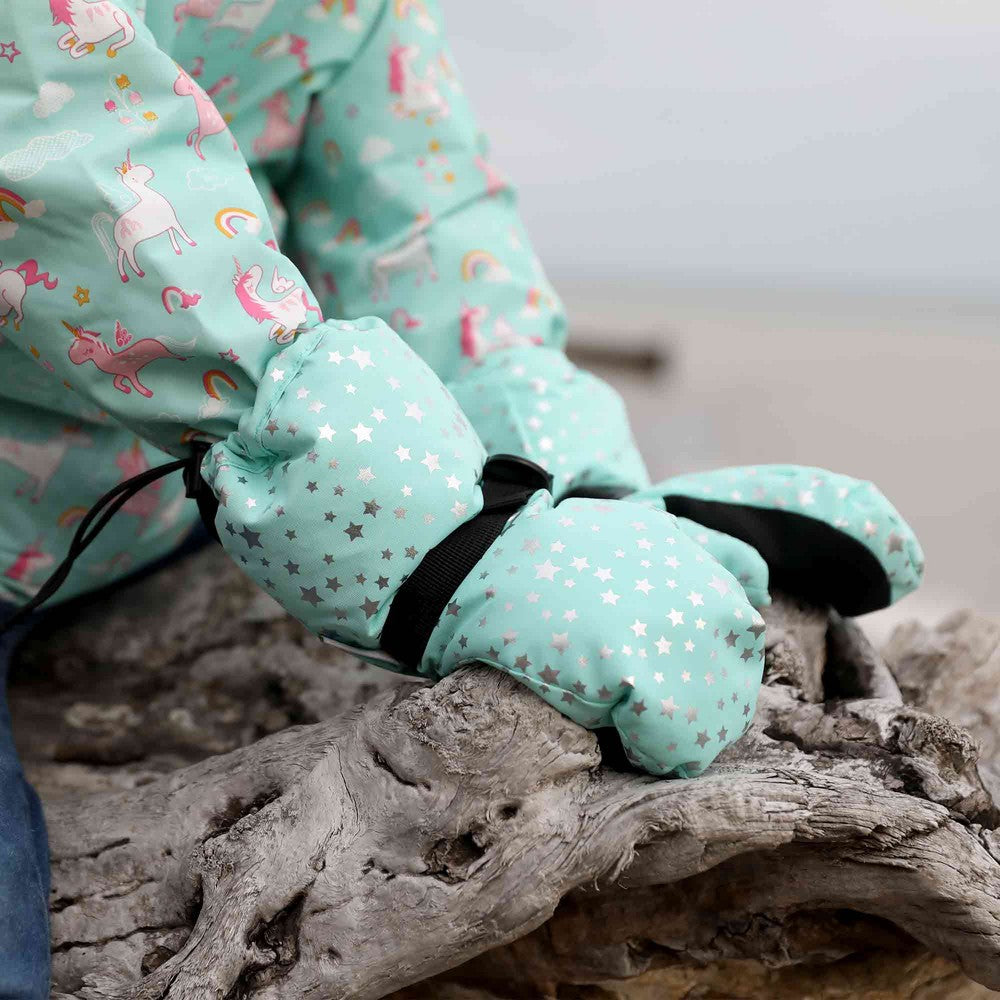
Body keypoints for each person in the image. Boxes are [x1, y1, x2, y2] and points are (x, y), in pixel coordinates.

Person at [0, 1, 923, 991]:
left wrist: (569, 483)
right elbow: (60, 151)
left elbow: (425, 223)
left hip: (179, 498)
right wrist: (436, 550)